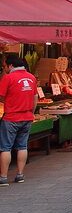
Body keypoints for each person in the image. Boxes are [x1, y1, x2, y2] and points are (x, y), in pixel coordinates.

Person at [0, 54, 38, 187]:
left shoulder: (8, 78)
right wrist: (31, 113)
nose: (4, 68)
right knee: (22, 146)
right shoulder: (31, 77)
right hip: (27, 117)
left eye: (5, 66)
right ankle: (20, 175)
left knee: (5, 148)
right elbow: (35, 98)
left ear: (11, 65)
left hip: (11, 117)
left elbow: (1, 96)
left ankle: (3, 177)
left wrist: (8, 102)